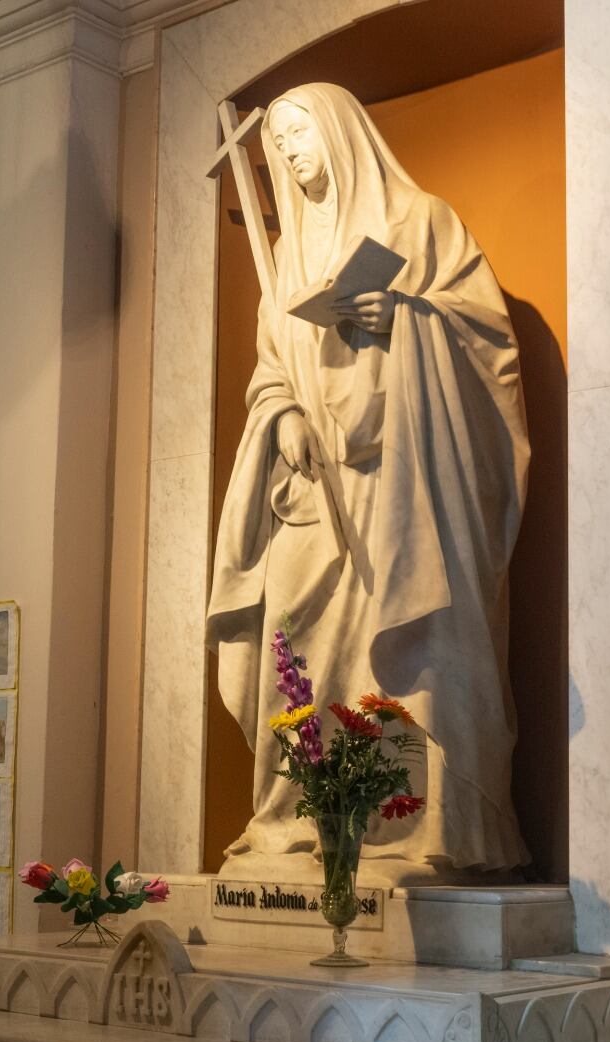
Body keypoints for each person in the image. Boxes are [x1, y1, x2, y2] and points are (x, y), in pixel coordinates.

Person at [206, 82, 530, 877]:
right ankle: (302, 820)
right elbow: (271, 370)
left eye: (298, 131)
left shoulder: (420, 221)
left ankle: (420, 826)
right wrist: (281, 417)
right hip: (316, 489)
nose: (286, 150)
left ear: (343, 130)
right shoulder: (286, 259)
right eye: (277, 141)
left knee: (413, 657)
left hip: (405, 488)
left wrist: (410, 319)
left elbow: (490, 348)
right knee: (294, 640)